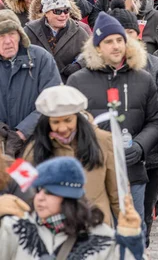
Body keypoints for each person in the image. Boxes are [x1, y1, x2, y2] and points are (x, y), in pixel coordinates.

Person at [67, 12, 158, 223]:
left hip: (132, 171)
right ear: (98, 47)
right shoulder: (77, 81)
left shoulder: (143, 78)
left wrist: (140, 146)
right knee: (97, 236)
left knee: (132, 235)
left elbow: (156, 120)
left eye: (120, 40)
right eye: (109, 41)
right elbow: (68, 125)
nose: (116, 46)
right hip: (93, 172)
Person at [108, 0, 158, 246]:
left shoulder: (156, 65)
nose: (125, 39)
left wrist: (142, 144)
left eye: (130, 32)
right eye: (119, 33)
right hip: (112, 158)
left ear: (139, 33)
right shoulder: (98, 69)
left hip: (151, 157)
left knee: (143, 218)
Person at [0, 156, 144, 259]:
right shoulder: (16, 227)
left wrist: (131, 238)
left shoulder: (102, 236)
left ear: (69, 198)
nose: (40, 197)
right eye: (39, 190)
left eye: (50, 192)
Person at [23, 85, 119, 226]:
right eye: (55, 122)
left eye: (68, 120)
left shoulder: (104, 140)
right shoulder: (35, 147)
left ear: (78, 117)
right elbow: (20, 188)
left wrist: (130, 228)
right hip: (53, 231)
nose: (62, 128)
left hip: (96, 228)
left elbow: (118, 192)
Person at [0, 9, 61, 157]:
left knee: (32, 180)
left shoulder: (41, 58)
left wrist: (22, 132)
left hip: (36, 144)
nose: (8, 41)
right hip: (1, 147)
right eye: (1, 36)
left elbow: (53, 100)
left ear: (20, 35)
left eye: (12, 34)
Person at [24, 0, 89, 82]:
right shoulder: (29, 31)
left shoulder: (79, 32)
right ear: (46, 12)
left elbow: (92, 54)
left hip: (66, 87)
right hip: (36, 86)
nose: (63, 15)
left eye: (66, 10)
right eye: (57, 11)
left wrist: (79, 65)